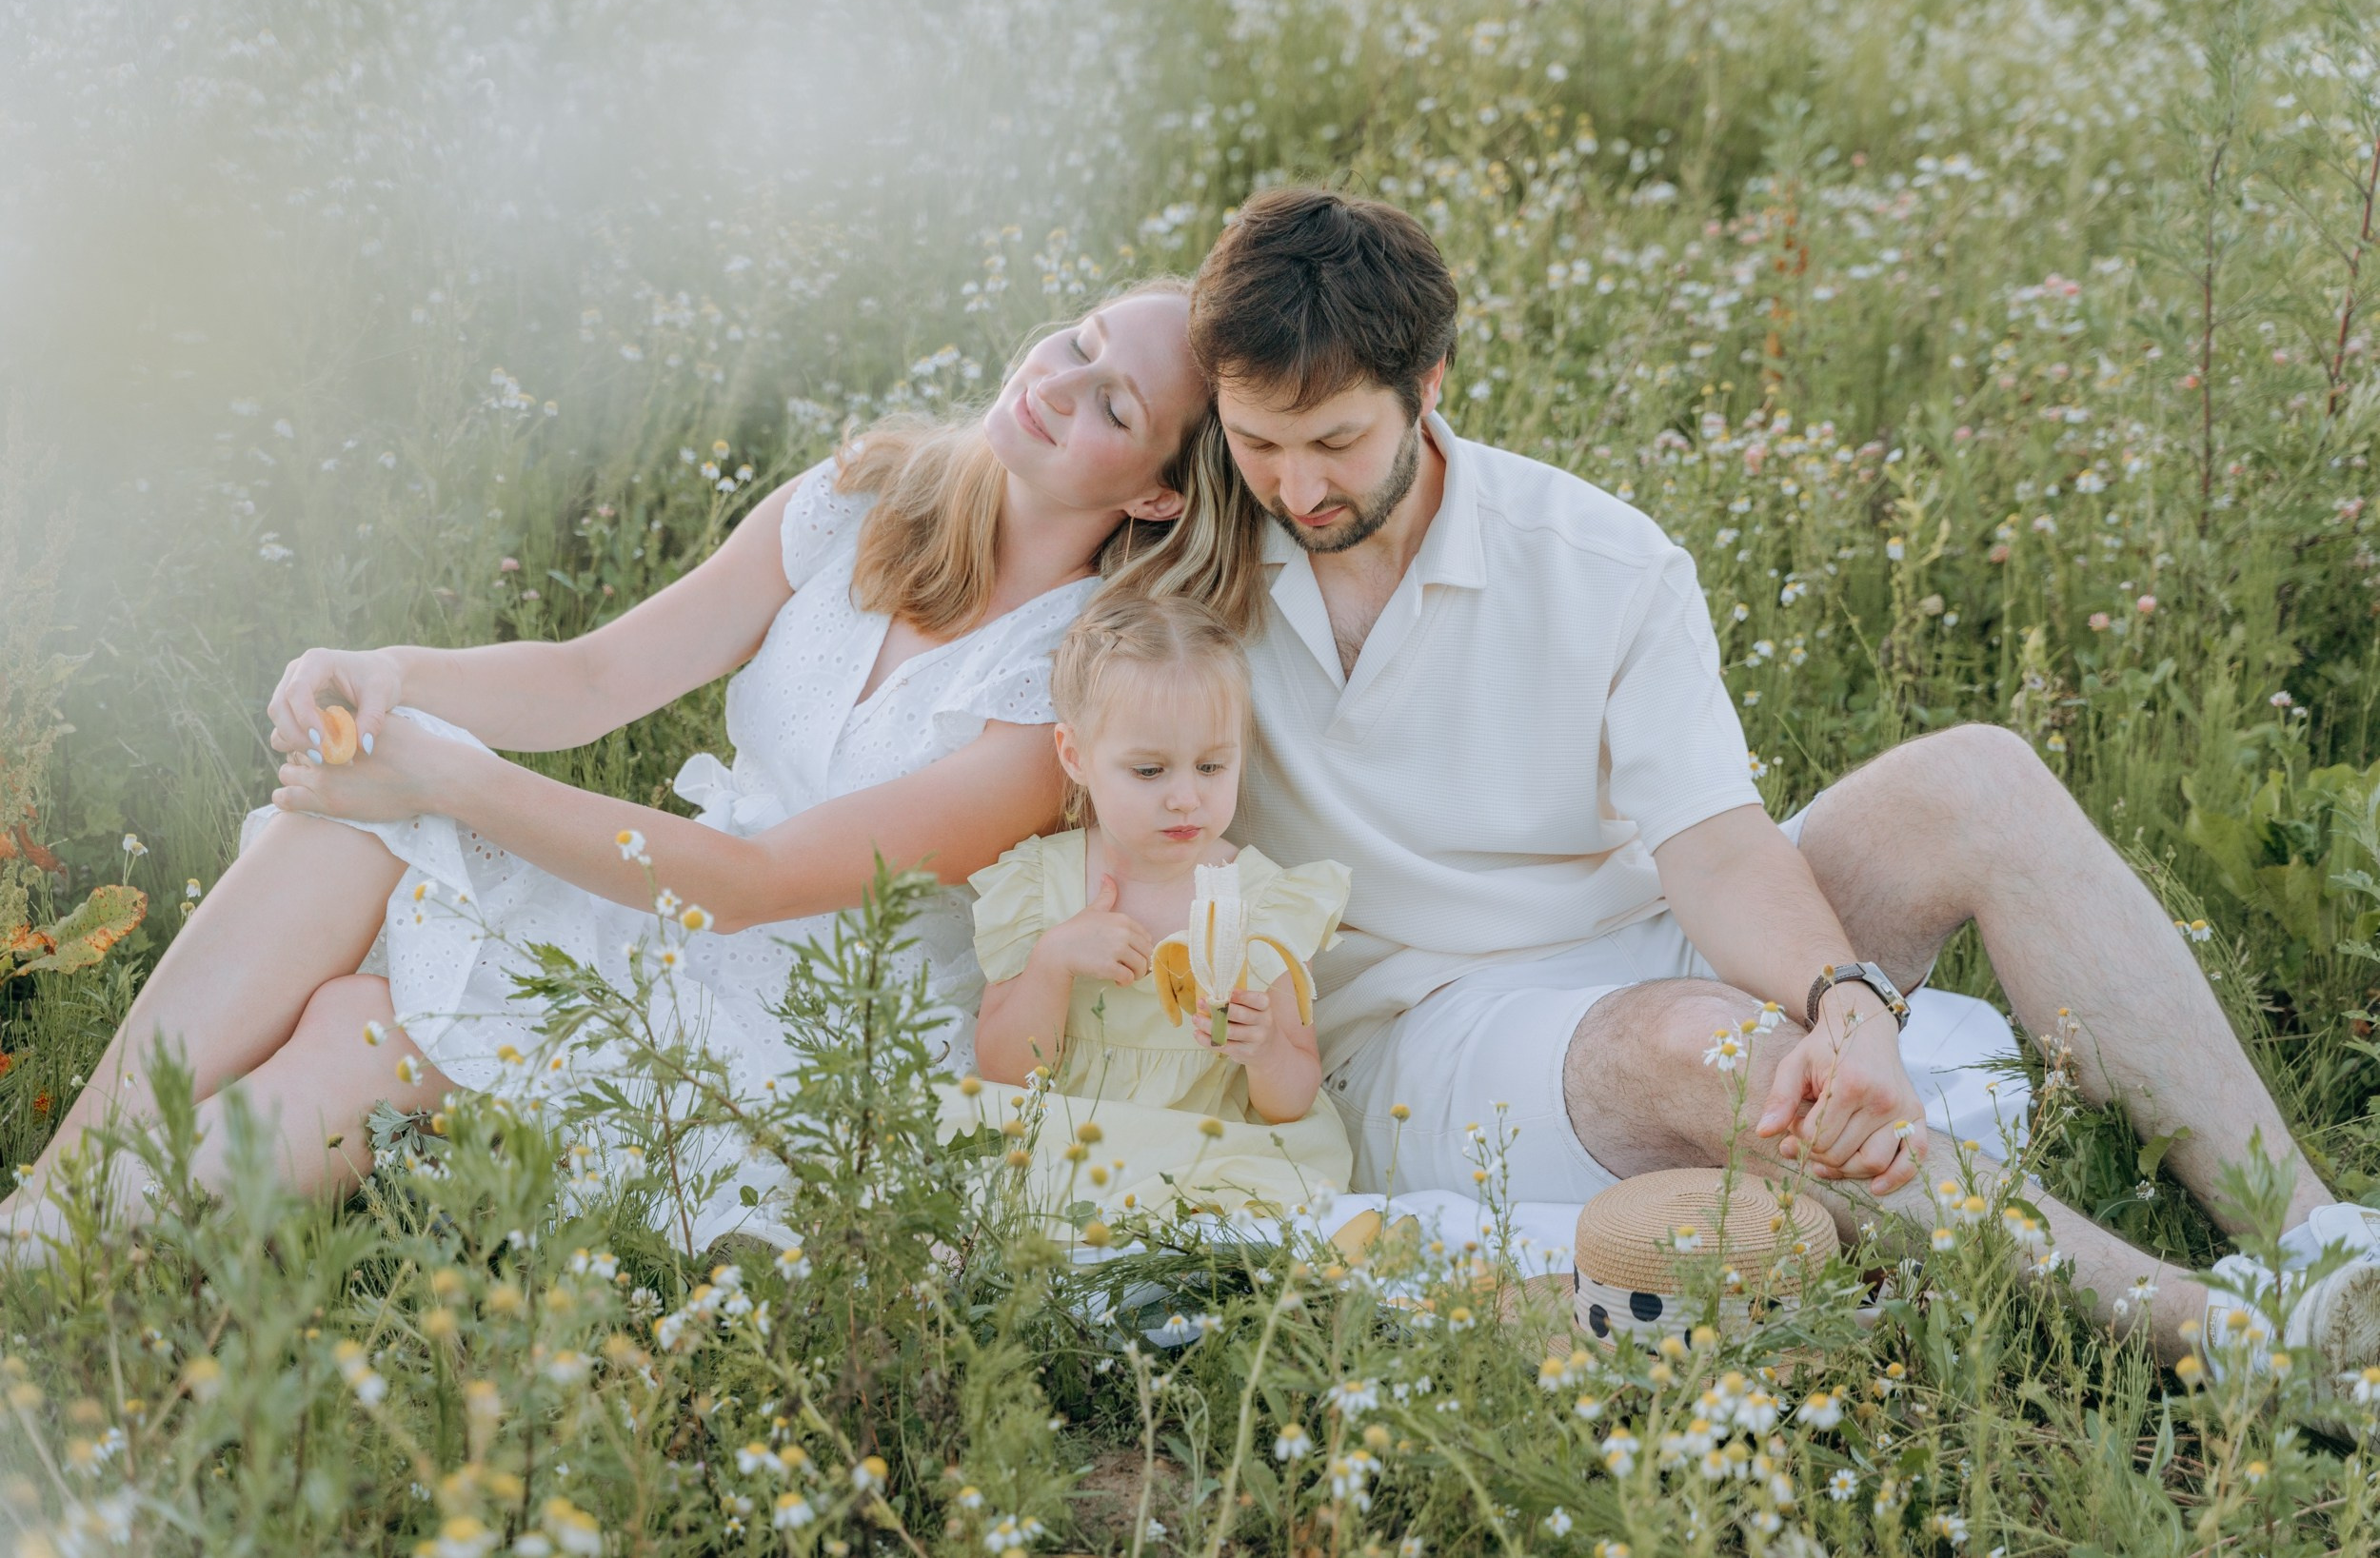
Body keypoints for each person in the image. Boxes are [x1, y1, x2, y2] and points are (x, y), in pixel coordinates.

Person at [1187, 186, 2380, 1371]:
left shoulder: (1596, 557)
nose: (1297, 491)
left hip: (1647, 935)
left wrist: (1846, 1005)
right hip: (1424, 1035)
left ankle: (2318, 1241)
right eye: (1259, 446)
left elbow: (1712, 843)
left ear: (1429, 382)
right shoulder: (1189, 557)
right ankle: (2219, 1335)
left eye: (1336, 441)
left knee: (1979, 775)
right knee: (1703, 1042)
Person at [2, 276, 1268, 1260]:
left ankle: (63, 1259)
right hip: (664, 917)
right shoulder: (867, 497)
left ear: (1157, 496)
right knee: (349, 854)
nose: (1061, 381)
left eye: (1114, 404)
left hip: (807, 1025)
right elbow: (597, 676)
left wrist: (448, 777)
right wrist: (395, 671)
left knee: (372, 1013)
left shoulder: (1069, 690)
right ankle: (49, 1217)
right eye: (1080, 340)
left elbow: (764, 881)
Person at [948, 592, 1352, 1222]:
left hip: (1208, 1154)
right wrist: (1053, 961)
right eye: (1149, 771)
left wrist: (1264, 1048)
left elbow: (1292, 1097)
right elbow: (1003, 1068)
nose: (1186, 797)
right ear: (1075, 756)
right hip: (1071, 1144)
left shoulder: (1259, 899)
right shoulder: (1041, 884)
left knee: (1265, 1213)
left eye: (1213, 765)